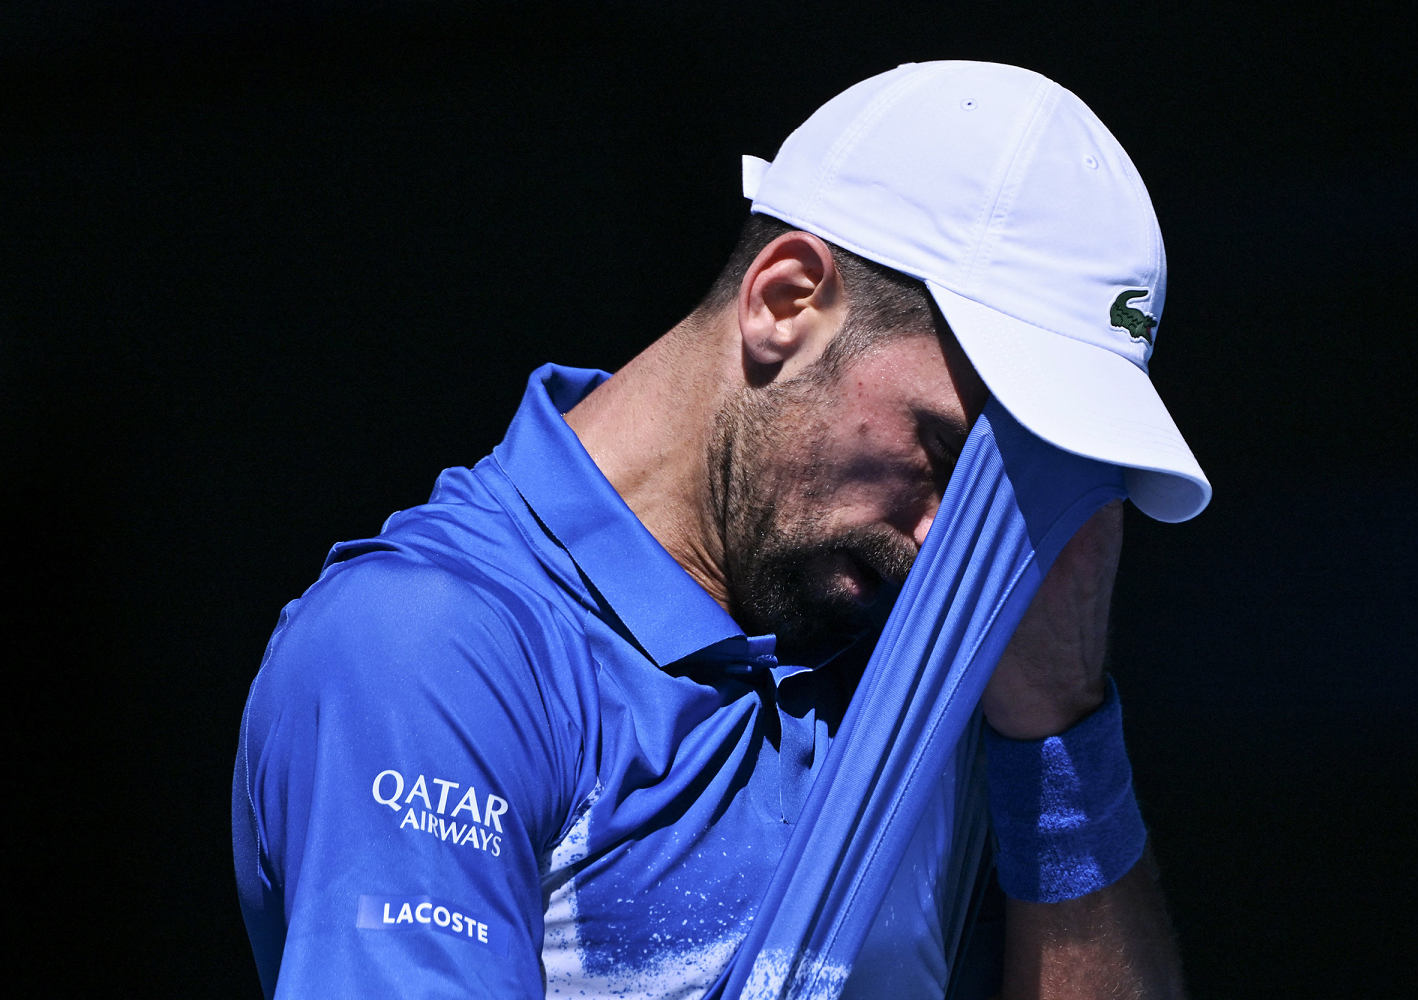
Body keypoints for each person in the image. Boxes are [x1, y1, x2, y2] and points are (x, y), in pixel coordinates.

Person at [233, 61, 1209, 998]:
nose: (954, 543)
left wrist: (1059, 725)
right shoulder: (427, 654)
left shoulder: (930, 642)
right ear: (786, 301)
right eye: (947, 455)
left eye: (1015, 499)